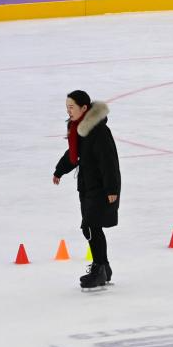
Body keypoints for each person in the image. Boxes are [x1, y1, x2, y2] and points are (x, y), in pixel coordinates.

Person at [53, 90, 121, 290]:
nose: (68, 111)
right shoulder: (80, 130)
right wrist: (60, 170)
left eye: (71, 107)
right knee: (92, 227)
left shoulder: (98, 131)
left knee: (90, 227)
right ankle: (103, 267)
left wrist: (112, 189)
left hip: (100, 188)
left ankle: (100, 268)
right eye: (67, 107)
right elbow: (74, 154)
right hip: (87, 186)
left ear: (84, 108)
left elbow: (109, 162)